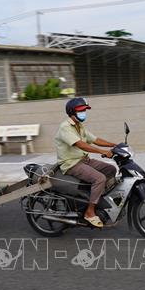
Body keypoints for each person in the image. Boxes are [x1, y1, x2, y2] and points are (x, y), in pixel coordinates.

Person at [54, 97, 117, 228]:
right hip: (71, 164)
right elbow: (81, 145)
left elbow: (95, 139)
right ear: (72, 112)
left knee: (111, 169)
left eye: (85, 110)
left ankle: (97, 198)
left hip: (84, 161)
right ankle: (90, 212)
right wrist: (102, 152)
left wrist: (115, 145)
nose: (84, 112)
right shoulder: (65, 127)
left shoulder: (79, 126)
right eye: (81, 110)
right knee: (100, 178)